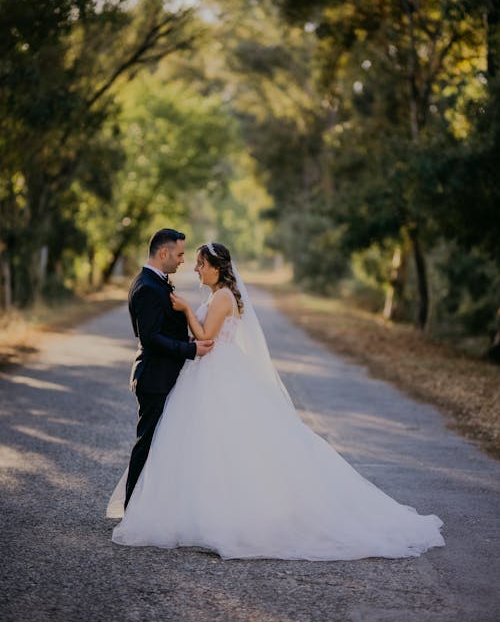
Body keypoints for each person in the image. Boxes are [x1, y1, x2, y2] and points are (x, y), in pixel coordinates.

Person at [108, 242, 444, 561]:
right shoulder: (218, 294)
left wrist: (183, 310)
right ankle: (199, 508)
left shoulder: (223, 296)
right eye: (193, 261)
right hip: (208, 373)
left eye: (200, 263)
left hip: (219, 372)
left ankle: (232, 514)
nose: (195, 268)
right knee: (206, 444)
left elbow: (206, 337)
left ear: (216, 267)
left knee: (227, 441)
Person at [121, 228, 214, 510]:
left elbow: (160, 329)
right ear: (164, 253)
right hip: (154, 376)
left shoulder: (156, 281)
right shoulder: (148, 286)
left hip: (161, 374)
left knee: (160, 442)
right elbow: (149, 338)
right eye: (180, 254)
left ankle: (150, 506)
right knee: (147, 443)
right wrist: (190, 349)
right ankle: (132, 510)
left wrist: (183, 339)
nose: (183, 261)